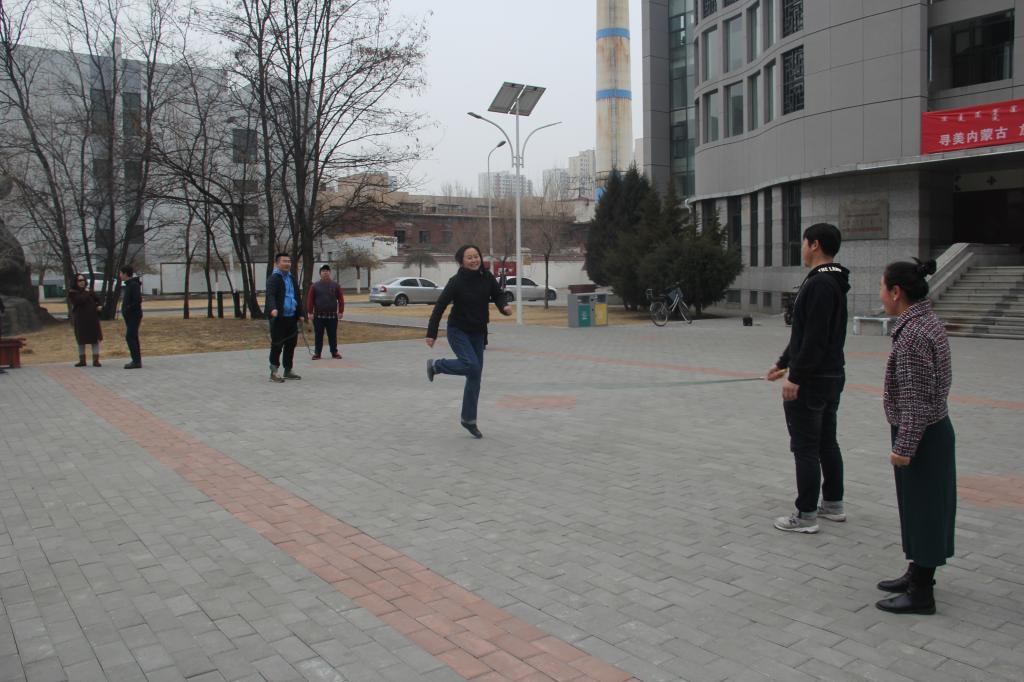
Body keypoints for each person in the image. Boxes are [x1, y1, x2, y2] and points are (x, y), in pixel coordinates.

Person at [875, 259, 954, 615]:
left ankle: (922, 593)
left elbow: (917, 399)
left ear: (896, 292)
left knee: (924, 510)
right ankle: (916, 571)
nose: (880, 294)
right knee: (919, 507)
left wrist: (905, 446)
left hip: (922, 434)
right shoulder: (922, 321)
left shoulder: (913, 335)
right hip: (928, 429)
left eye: (882, 287)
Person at [766, 223, 850, 533]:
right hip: (829, 375)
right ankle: (833, 504)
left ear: (814, 245)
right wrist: (783, 363)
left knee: (805, 447)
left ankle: (806, 515)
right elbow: (804, 335)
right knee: (826, 442)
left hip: (814, 380)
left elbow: (814, 338)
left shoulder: (819, 284)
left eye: (804, 243)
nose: (801, 248)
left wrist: (796, 376)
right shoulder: (831, 280)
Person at [425, 245, 511, 438]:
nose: (474, 260)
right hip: (458, 330)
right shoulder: (456, 282)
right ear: (461, 262)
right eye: (469, 257)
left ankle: (469, 420)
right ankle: (436, 365)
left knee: (475, 376)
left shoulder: (487, 277)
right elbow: (440, 306)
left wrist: (504, 306)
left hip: (478, 333)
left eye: (476, 256)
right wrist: (431, 333)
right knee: (472, 366)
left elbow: (498, 295)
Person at [266, 252, 306, 383]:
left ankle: (288, 370)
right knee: (277, 345)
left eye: (289, 261)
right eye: (284, 261)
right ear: (277, 264)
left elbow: (297, 297)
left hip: (291, 318)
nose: (287, 263)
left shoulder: (292, 278)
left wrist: (300, 314)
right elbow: (270, 295)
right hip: (279, 318)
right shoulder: (274, 278)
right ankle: (274, 372)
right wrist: (273, 308)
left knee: (291, 345)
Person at [305, 264, 345, 360]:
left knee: (332, 335)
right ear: (320, 273)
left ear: (329, 272)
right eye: (323, 271)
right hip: (319, 316)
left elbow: (341, 299)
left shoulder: (335, 285)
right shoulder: (315, 286)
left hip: (332, 316)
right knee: (318, 335)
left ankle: (334, 352)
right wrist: (310, 312)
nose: (325, 272)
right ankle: (317, 353)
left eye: (327, 271)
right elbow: (310, 300)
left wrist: (340, 311)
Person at [68, 274, 103, 367]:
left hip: (92, 319)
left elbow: (98, 299)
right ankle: (82, 360)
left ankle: (96, 360)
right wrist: (87, 292)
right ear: (76, 282)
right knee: (81, 340)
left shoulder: (89, 290)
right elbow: (80, 300)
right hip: (80, 319)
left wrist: (99, 306)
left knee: (94, 339)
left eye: (83, 280)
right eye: (79, 280)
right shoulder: (72, 292)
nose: (82, 282)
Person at [119, 266, 143, 369]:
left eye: (121, 273)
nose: (120, 275)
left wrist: (128, 308)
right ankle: (137, 360)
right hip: (129, 316)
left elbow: (137, 300)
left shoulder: (133, 285)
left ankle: (136, 361)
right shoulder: (129, 285)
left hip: (134, 315)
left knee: (130, 337)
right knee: (133, 337)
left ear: (125, 274)